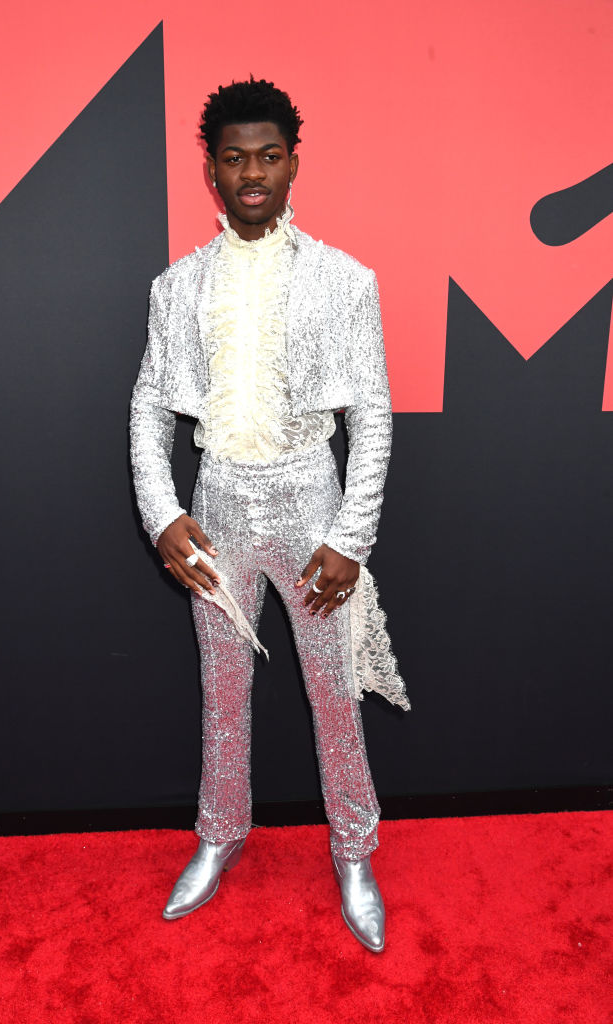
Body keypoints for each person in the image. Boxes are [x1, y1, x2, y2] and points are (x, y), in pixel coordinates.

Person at [129, 76, 410, 953]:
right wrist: (162, 512)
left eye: (269, 156)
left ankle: (355, 852)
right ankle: (219, 836)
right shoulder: (176, 287)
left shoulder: (344, 279)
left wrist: (348, 537)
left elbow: (372, 412)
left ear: (293, 163)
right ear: (210, 170)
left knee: (333, 697)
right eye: (234, 157)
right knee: (223, 693)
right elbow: (148, 406)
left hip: (309, 503)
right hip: (215, 504)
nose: (252, 171)